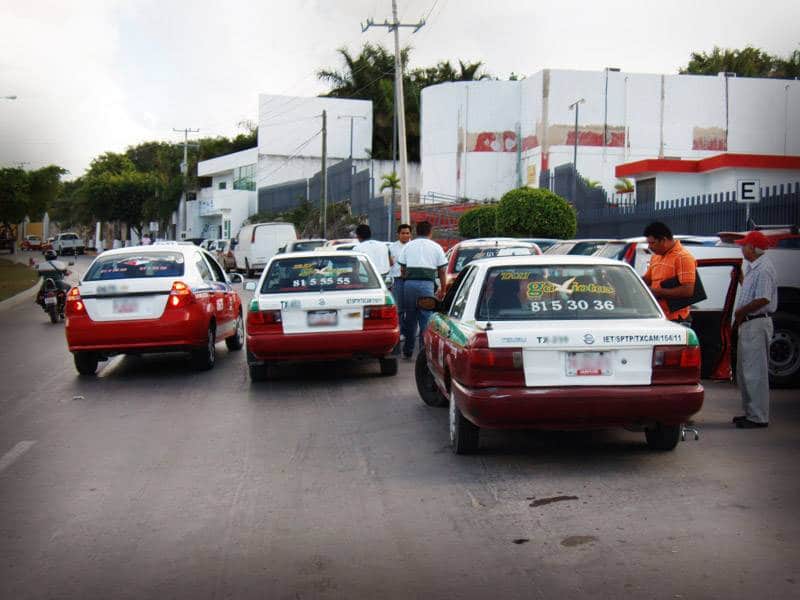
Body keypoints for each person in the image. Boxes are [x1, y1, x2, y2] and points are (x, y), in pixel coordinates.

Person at [732, 231, 777, 429]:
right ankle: (751, 413)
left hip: (757, 322)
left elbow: (763, 298)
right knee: (746, 372)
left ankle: (758, 416)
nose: (742, 248)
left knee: (755, 372)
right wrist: (741, 279)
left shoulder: (764, 269)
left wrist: (741, 311)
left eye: (744, 245)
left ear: (752, 247)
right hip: (750, 322)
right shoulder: (753, 268)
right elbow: (753, 293)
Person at [398, 221, 447, 359]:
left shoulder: (408, 246)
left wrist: (406, 279)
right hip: (427, 286)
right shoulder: (436, 247)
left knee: (410, 318)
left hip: (409, 285)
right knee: (425, 317)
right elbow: (442, 271)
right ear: (430, 232)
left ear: (416, 232)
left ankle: (408, 350)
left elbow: (402, 269)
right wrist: (443, 289)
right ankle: (424, 351)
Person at [642, 221, 697, 325]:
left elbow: (688, 291)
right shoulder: (656, 257)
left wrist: (657, 291)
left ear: (663, 240)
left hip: (677, 320)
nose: (649, 247)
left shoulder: (683, 257)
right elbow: (646, 279)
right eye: (648, 243)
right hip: (659, 316)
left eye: (652, 243)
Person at [388, 223, 412, 324]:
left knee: (411, 308)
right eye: (403, 233)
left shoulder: (414, 246)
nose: (405, 235)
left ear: (410, 234)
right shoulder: (392, 247)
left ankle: (410, 332)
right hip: (397, 280)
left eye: (407, 233)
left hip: (411, 280)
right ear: (398, 234)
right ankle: (400, 331)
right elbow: (389, 263)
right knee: (399, 308)